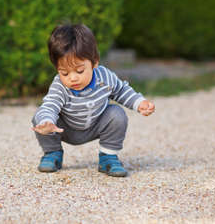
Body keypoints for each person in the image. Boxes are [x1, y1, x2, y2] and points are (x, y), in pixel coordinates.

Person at [31, 24, 155, 177]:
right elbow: (50, 105)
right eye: (64, 73)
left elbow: (121, 91)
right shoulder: (60, 86)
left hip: (95, 126)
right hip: (65, 129)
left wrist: (139, 103)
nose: (73, 78)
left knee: (116, 113)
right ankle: (52, 153)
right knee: (40, 115)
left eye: (80, 71)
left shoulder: (105, 77)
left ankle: (108, 157)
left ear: (94, 62)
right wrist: (47, 122)